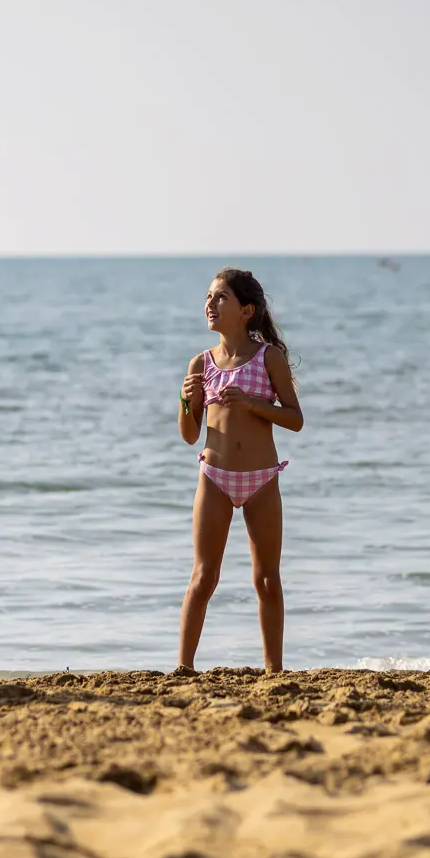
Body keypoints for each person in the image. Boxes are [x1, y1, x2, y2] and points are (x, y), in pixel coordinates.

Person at [175, 268, 303, 673]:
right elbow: (190, 434)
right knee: (203, 577)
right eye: (209, 297)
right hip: (214, 477)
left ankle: (274, 670)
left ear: (247, 310)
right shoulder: (201, 362)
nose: (210, 304)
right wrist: (183, 401)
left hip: (262, 479)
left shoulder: (269, 358)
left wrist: (250, 403)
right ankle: (184, 668)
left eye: (221, 298)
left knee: (266, 579)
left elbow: (295, 419)